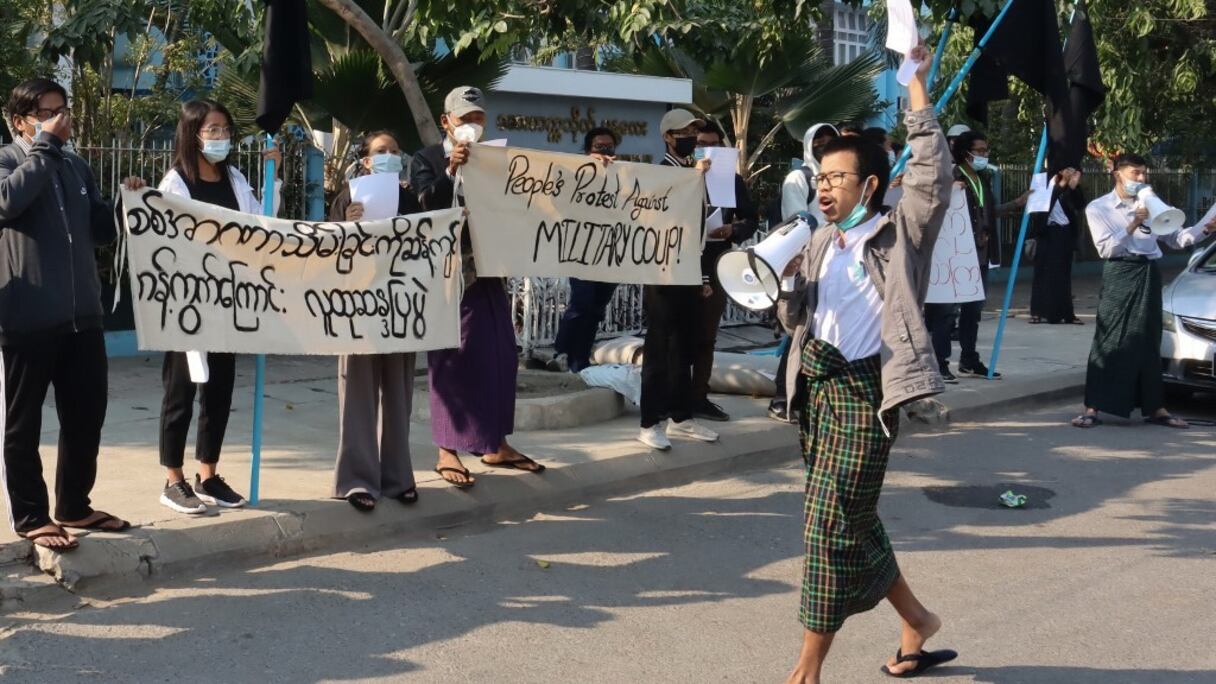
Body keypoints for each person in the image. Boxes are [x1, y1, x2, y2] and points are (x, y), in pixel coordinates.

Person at [776, 47, 959, 683]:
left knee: (827, 527)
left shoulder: (900, 231)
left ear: (871, 186)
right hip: (817, 395)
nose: (823, 188)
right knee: (851, 518)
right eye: (819, 178)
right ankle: (917, 620)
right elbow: (799, 325)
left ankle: (808, 665)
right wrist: (784, 288)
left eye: (836, 179)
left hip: (865, 394)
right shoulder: (821, 239)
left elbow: (932, 172)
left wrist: (915, 86)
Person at [0, 78, 137, 550]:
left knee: (86, 415)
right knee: (23, 424)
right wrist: (43, 149)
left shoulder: (76, 165)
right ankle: (32, 515)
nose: (60, 119)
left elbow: (101, 230)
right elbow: (7, 202)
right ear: (19, 120)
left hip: (84, 316)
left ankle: (75, 505)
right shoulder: (8, 161)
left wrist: (126, 202)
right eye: (46, 112)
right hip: (27, 317)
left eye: (63, 110)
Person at [409, 86, 545, 487]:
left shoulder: (497, 159)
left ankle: (494, 443)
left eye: (479, 117)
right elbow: (421, 206)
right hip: (450, 274)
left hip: (490, 269)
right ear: (446, 121)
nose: (473, 125)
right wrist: (450, 169)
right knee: (453, 357)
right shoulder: (427, 158)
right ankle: (447, 450)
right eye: (465, 118)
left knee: (501, 354)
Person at [151, 99, 281, 514]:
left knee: (219, 391)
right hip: (188, 305)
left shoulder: (236, 177)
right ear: (192, 134)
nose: (221, 137)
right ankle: (174, 479)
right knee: (180, 393)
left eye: (225, 129)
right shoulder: (176, 183)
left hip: (228, 303)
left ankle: (208, 474)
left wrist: (273, 179)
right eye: (212, 130)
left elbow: (259, 226)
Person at [1071, 153, 1216, 429]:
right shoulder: (1099, 208)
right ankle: (1093, 407)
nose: (1141, 178)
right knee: (1110, 337)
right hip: (1120, 272)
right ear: (1117, 173)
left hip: (1148, 272)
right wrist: (1134, 223)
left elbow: (1179, 239)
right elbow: (1106, 249)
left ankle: (1156, 408)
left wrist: (1206, 228)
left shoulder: (1154, 205)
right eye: (1134, 173)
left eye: (1143, 173)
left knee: (1149, 338)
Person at [329, 130, 423, 511]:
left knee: (399, 394)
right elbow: (328, 252)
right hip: (358, 310)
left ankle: (399, 479)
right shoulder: (348, 198)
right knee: (358, 394)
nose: (390, 156)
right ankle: (356, 480)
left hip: (399, 307)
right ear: (366, 161)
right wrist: (346, 224)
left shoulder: (410, 200)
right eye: (381, 151)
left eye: (395, 151)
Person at [636, 108, 718, 451]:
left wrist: (700, 275)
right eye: (685, 132)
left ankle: (681, 415)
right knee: (659, 348)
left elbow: (696, 230)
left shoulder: (693, 174)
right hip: (662, 271)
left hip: (687, 271)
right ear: (668, 137)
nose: (691, 138)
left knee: (685, 345)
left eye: (694, 132)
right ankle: (650, 420)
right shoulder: (662, 173)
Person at [922, 130, 1026, 382]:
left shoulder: (981, 178)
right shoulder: (950, 176)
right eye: (978, 150)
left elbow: (987, 211)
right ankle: (940, 360)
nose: (983, 155)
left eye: (985, 150)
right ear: (965, 151)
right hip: (953, 254)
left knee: (973, 309)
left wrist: (1016, 204)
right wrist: (947, 190)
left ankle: (969, 359)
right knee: (946, 312)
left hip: (979, 254)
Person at [771, 123, 839, 423]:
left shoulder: (841, 179)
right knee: (799, 332)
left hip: (838, 264)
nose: (825, 146)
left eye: (831, 141)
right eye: (819, 142)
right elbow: (798, 220)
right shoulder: (799, 178)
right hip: (808, 266)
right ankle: (782, 398)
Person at [691, 123, 758, 422]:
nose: (708, 150)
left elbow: (751, 219)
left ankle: (698, 396)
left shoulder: (732, 181)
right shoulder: (679, 177)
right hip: (682, 264)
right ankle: (672, 395)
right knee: (677, 335)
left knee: (706, 335)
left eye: (714, 144)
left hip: (717, 262)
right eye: (701, 144)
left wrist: (734, 228)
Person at [549, 127, 621, 373]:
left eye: (609, 147)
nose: (604, 151)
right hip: (581, 249)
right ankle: (562, 350)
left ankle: (581, 358)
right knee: (581, 303)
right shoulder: (575, 173)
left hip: (609, 251)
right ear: (587, 150)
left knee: (597, 308)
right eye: (599, 147)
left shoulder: (622, 176)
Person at [1028, 177, 1086, 325]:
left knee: (1063, 274)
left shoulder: (1069, 186)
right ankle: (1037, 312)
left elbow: (1080, 205)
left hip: (1064, 233)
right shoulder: (1042, 182)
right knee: (1042, 272)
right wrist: (1058, 186)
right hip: (1045, 233)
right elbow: (1040, 209)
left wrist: (1074, 187)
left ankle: (1067, 313)